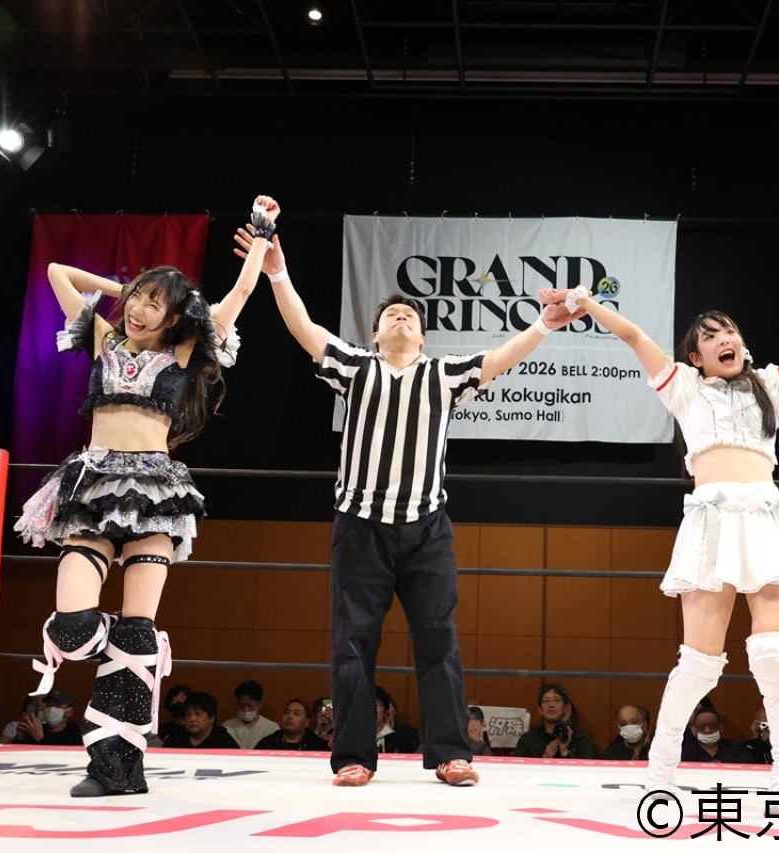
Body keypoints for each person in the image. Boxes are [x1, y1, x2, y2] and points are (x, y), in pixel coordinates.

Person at [236, 208, 584, 788]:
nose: (400, 316)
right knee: (352, 644)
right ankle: (353, 756)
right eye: (390, 314)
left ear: (423, 336)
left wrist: (545, 324)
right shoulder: (356, 367)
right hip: (360, 525)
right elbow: (304, 329)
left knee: (439, 640)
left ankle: (450, 753)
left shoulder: (443, 374)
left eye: (411, 315)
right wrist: (277, 273)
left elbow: (501, 357)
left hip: (426, 527)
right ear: (375, 334)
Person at [545, 266, 779, 795]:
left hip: (765, 520)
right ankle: (660, 774)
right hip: (712, 523)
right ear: (696, 357)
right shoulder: (684, 388)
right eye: (711, 336)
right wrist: (584, 301)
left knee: (776, 657)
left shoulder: (772, 387)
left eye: (729, 331)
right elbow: (634, 335)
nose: (724, 339)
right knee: (698, 665)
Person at [14, 199, 272, 796]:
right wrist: (125, 289)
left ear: (176, 316)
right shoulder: (104, 337)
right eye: (137, 299)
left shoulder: (183, 351)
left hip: (155, 492)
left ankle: (115, 768)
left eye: (155, 304)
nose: (138, 309)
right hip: (91, 486)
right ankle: (138, 651)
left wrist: (262, 236)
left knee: (137, 627)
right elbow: (57, 271)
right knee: (73, 629)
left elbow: (239, 294)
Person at [513, 683, 597, 759]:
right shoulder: (528, 740)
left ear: (566, 708)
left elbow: (587, 769)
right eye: (546, 701)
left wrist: (565, 752)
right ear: (540, 710)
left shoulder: (582, 739)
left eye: (557, 700)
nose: (551, 705)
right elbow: (519, 769)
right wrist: (545, 758)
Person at [161, 692, 241, 749]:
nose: (192, 719)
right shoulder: (176, 738)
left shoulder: (223, 740)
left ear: (212, 718)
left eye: (198, 714)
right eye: (188, 714)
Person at [222, 679, 280, 749]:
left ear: (259, 704)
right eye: (241, 705)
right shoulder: (227, 727)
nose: (245, 709)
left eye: (249, 705)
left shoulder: (271, 728)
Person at [256, 699, 330, 751]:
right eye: (287, 712)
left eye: (296, 713)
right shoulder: (268, 743)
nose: (289, 716)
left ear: (306, 722)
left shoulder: (318, 746)